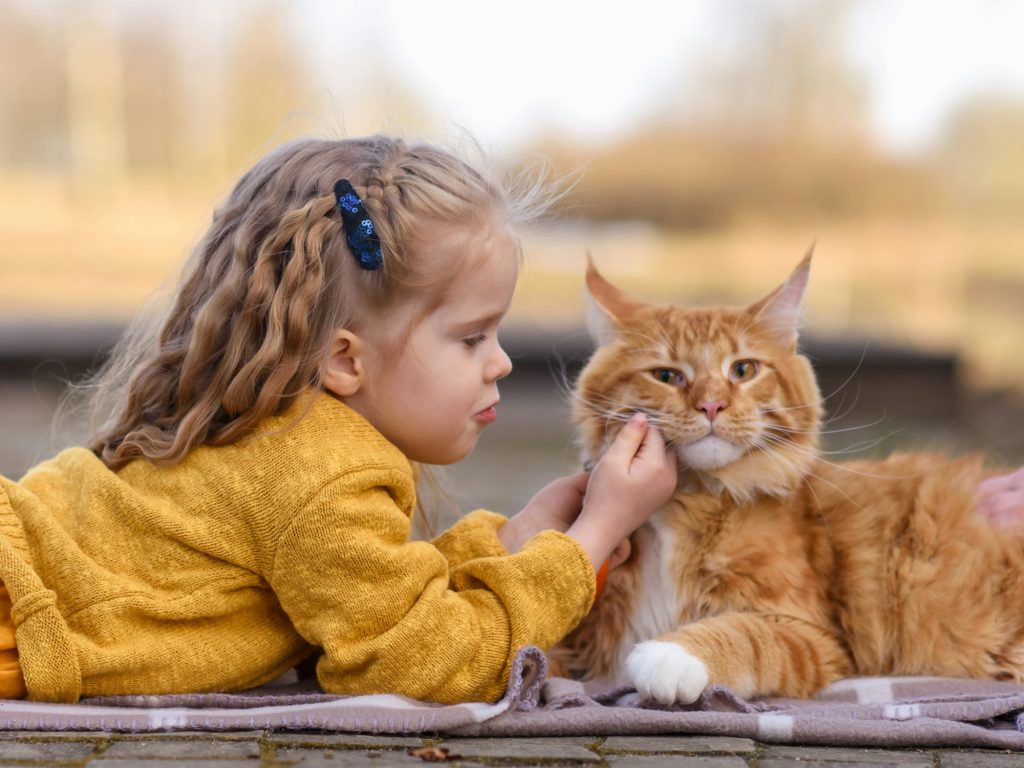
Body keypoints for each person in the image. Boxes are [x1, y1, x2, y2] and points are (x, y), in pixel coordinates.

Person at [0, 136, 678, 704]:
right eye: (472, 338)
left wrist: (516, 540)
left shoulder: (285, 436)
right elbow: (419, 662)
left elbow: (373, 600)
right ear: (345, 361)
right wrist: (590, 541)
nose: (499, 363)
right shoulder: (325, 473)